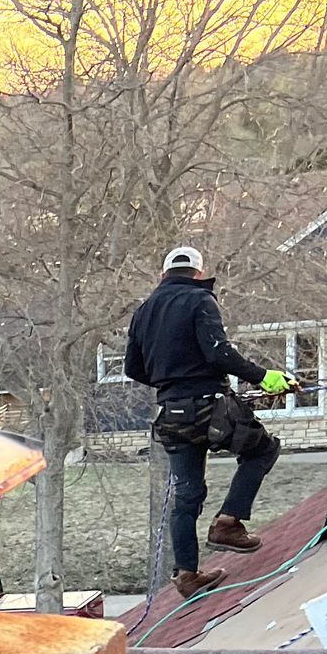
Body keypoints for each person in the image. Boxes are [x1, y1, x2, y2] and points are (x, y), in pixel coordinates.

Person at [123, 246, 293, 599]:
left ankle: (187, 574)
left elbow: (132, 368)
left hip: (171, 413)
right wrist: (264, 377)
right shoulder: (199, 300)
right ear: (199, 273)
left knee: (187, 495)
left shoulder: (143, 313)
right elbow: (218, 352)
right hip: (209, 406)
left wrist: (169, 380)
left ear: (162, 275)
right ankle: (228, 522)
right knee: (262, 450)